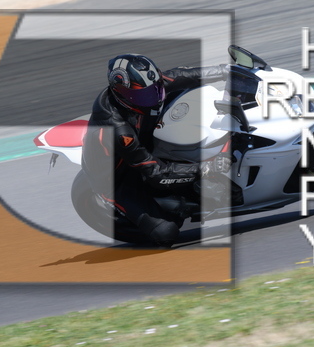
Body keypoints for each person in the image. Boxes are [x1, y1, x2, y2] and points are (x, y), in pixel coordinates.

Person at [81, 53, 231, 247]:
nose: (153, 99)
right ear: (122, 94)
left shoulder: (147, 87)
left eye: (155, 90)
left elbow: (181, 75)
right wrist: (205, 169)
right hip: (117, 178)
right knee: (166, 232)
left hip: (142, 144)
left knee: (184, 92)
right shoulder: (118, 129)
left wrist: (224, 71)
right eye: (143, 96)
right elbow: (155, 173)